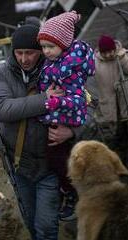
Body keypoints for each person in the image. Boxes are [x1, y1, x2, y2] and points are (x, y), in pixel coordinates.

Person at [0, 23, 85, 240]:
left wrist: (72, 130)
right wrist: (45, 100)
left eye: (30, 52)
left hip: (48, 167)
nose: (24, 59)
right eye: (19, 53)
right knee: (30, 220)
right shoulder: (3, 73)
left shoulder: (61, 70)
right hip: (19, 164)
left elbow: (88, 106)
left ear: (41, 50)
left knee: (46, 226)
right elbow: (1, 110)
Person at [36, 11, 95, 221]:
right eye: (43, 47)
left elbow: (79, 99)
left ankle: (71, 194)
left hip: (66, 118)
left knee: (60, 161)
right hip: (59, 117)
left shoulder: (69, 69)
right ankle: (70, 191)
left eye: (50, 46)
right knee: (59, 160)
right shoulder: (58, 62)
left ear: (64, 43)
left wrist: (54, 101)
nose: (46, 51)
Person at [94, 34, 128, 165]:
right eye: (105, 52)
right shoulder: (95, 63)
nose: (109, 55)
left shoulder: (123, 55)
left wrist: (123, 58)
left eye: (110, 51)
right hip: (110, 109)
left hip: (125, 104)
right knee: (117, 142)